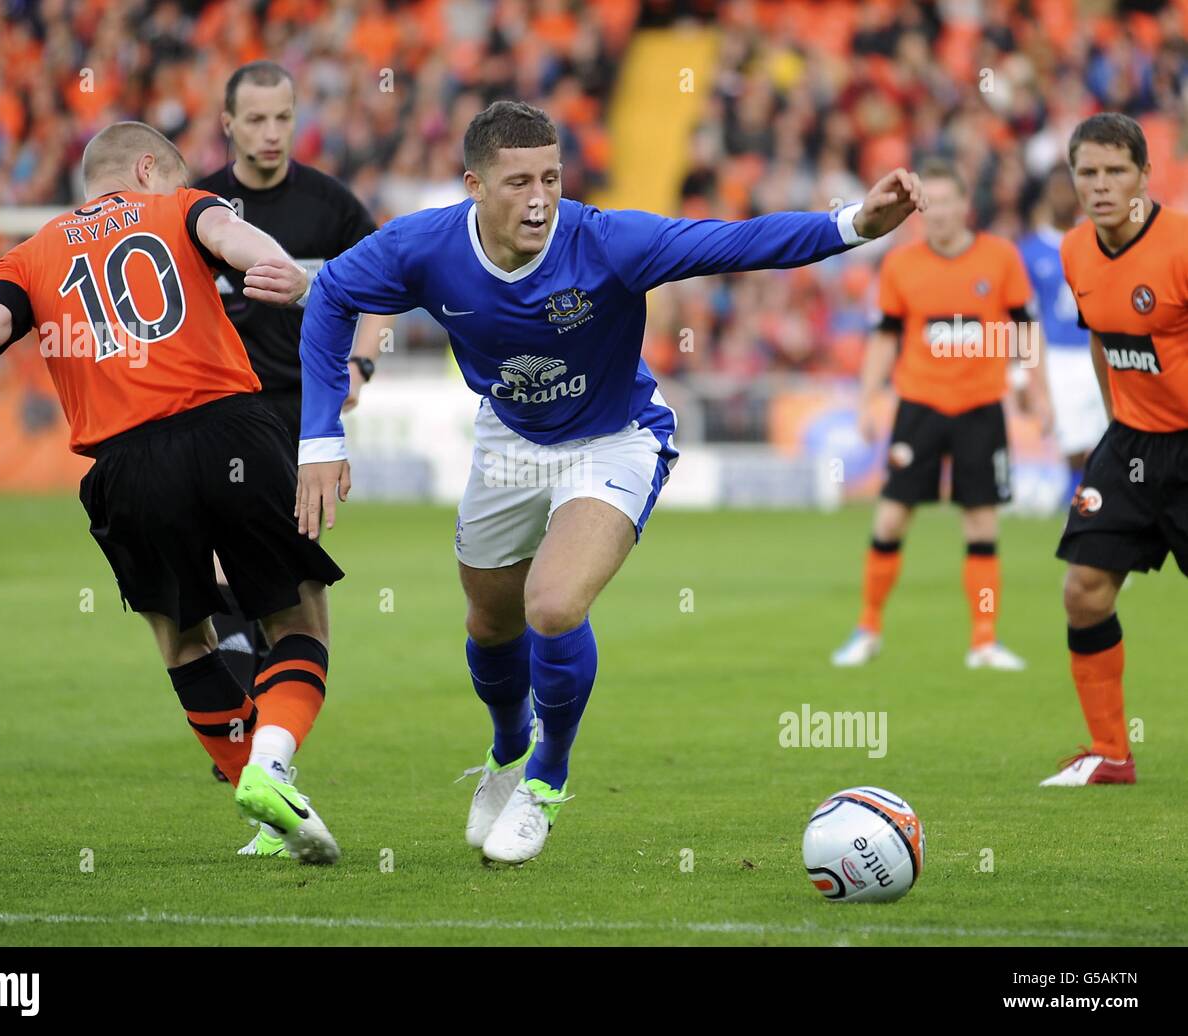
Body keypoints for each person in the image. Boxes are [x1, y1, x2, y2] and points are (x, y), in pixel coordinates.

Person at [293, 100, 925, 863]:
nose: (539, 198)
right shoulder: (425, 246)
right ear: (473, 186)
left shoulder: (607, 241)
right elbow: (331, 296)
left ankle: (547, 782)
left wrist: (854, 222)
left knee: (553, 606)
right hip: (509, 438)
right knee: (490, 626)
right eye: (519, 180)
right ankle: (505, 751)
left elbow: (735, 242)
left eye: (552, 178)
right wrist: (321, 439)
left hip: (615, 438)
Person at [0, 122, 343, 862]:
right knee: (298, 619)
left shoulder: (32, 254)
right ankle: (269, 765)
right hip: (229, 430)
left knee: (181, 639)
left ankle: (266, 815)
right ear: (145, 168)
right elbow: (234, 238)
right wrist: (283, 268)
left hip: (125, 465)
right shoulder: (179, 206)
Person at [193, 60, 391, 787]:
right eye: (257, 119)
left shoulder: (330, 205)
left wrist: (361, 368)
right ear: (229, 123)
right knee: (229, 571)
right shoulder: (201, 205)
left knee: (286, 588)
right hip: (218, 414)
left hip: (301, 415)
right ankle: (257, 736)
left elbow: (379, 288)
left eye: (283, 118)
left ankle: (255, 730)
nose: (272, 133)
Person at [832, 158, 1053, 671]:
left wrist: (1037, 392)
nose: (937, 213)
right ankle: (867, 629)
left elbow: (1024, 328)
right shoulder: (901, 265)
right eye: (927, 203)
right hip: (919, 407)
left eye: (946, 201)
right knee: (890, 518)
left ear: (964, 205)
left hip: (981, 407)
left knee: (981, 525)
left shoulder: (1000, 259)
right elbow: (884, 336)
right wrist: (867, 399)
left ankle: (984, 640)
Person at [1043, 113, 1188, 786]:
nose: (1100, 186)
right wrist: (1115, 421)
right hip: (1129, 442)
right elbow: (1101, 335)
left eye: (1114, 171)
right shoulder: (1075, 250)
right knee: (1085, 592)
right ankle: (1110, 753)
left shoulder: (1182, 245)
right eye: (1087, 173)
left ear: (1144, 175)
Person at [1019, 162, 1106, 508]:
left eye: (1067, 189)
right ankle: (1076, 511)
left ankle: (1096, 510)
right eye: (1055, 189)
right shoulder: (1029, 249)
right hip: (1057, 358)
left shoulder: (1097, 239)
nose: (1062, 196)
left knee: (1105, 442)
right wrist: (1021, 376)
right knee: (1071, 446)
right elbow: (1022, 320)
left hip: (1098, 351)